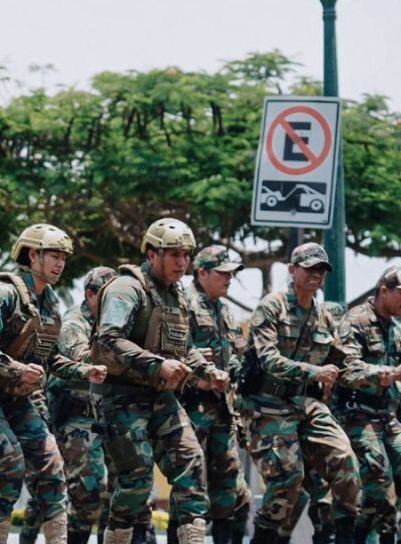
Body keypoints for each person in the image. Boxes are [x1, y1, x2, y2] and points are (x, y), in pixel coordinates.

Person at [0, 224, 96, 544]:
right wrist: (17, 369)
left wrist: (86, 372)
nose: (60, 264)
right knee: (9, 465)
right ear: (33, 255)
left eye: (63, 258)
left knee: (51, 465)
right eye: (54, 256)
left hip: (13, 396)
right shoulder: (4, 292)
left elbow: (51, 359)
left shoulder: (49, 302)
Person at [92, 218, 227, 544]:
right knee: (136, 480)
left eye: (186, 255)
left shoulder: (176, 295)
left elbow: (186, 347)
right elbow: (109, 339)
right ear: (152, 254)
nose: (182, 262)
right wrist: (157, 365)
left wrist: (208, 372)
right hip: (120, 395)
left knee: (192, 464)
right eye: (173, 254)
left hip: (160, 396)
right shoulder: (128, 288)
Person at [241, 242, 360, 544]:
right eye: (309, 268)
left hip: (305, 402)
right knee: (288, 480)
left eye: (321, 270)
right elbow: (268, 360)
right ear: (292, 270)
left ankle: (345, 536)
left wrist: (378, 373)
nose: (315, 274)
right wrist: (313, 372)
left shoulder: (324, 316)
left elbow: (344, 362)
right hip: (267, 404)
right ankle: (264, 538)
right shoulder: (272, 306)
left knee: (346, 462)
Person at [182, 246, 250, 544]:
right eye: (222, 273)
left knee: (229, 490)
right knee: (189, 487)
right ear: (202, 273)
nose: (229, 279)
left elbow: (234, 356)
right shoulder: (183, 305)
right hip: (189, 410)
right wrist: (199, 379)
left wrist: (232, 373)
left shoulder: (225, 310)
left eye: (231, 273)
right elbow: (167, 356)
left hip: (222, 410)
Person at [49, 266, 115, 544]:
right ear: (90, 295)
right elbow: (80, 358)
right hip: (77, 415)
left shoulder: (118, 323)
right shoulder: (75, 322)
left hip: (109, 414)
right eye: (108, 297)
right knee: (89, 492)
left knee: (123, 495)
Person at [336, 264, 401, 544]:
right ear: (383, 291)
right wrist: (387, 374)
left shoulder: (395, 327)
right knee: (379, 484)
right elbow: (347, 371)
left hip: (388, 416)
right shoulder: (356, 321)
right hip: (357, 416)